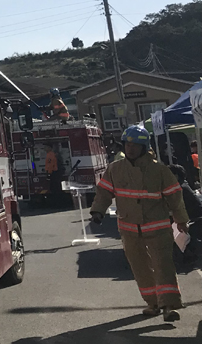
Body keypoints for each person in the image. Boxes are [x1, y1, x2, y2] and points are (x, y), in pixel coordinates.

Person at [90, 125, 190, 322]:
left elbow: (175, 198)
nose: (131, 148)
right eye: (128, 144)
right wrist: (97, 211)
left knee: (163, 266)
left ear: (145, 147)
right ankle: (152, 303)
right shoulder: (115, 169)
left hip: (158, 228)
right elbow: (104, 192)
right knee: (140, 268)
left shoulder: (159, 170)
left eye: (135, 145)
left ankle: (169, 305)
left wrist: (181, 220)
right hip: (129, 229)